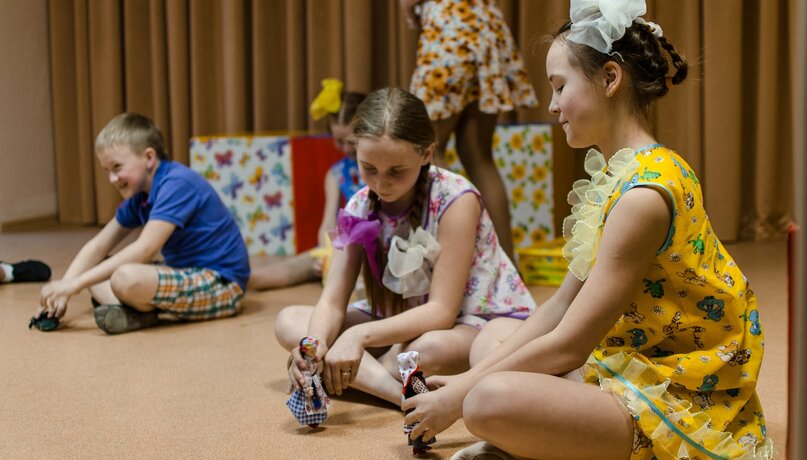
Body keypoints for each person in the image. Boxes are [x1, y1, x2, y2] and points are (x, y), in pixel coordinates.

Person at [401, 2, 773, 459]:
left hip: (671, 391)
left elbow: (570, 345)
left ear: (610, 79)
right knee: (492, 339)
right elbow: (560, 306)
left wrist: (459, 397)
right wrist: (464, 380)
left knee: (486, 400)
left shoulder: (643, 196)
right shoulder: (617, 175)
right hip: (623, 357)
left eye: (560, 86)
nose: (552, 105)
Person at [275, 87, 536, 406]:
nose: (380, 184)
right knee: (289, 320)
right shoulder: (359, 206)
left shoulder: (456, 199)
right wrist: (312, 350)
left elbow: (442, 312)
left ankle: (352, 375)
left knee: (428, 349)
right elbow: (331, 301)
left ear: (427, 153)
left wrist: (358, 336)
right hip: (399, 321)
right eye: (369, 168)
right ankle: (400, 394)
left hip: (471, 322)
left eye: (396, 171)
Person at [37, 113, 250, 334]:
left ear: (149, 157)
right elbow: (98, 246)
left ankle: (133, 310)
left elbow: (145, 249)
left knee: (125, 277)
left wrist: (75, 285)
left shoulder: (177, 183)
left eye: (117, 167)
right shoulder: (139, 197)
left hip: (222, 285)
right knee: (96, 267)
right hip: (184, 273)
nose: (112, 179)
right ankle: (136, 314)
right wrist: (61, 292)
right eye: (107, 170)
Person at [400, 0, 539, 260]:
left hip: (450, 29)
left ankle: (448, 262)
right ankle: (506, 266)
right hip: (486, 26)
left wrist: (408, 10)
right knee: (479, 157)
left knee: (425, 150)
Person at [248, 79, 366, 289]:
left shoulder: (379, 166)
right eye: (338, 141)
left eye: (351, 141)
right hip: (347, 245)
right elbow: (328, 224)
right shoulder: (336, 173)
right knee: (302, 262)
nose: (345, 148)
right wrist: (326, 252)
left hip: (375, 246)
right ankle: (239, 280)